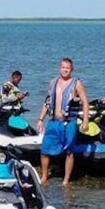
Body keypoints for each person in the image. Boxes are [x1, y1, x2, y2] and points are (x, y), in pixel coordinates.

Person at [36, 58, 90, 186]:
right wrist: (40, 119)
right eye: (63, 67)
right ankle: (44, 176)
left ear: (72, 69)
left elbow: (85, 102)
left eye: (68, 67)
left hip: (69, 122)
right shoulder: (53, 82)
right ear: (59, 68)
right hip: (54, 121)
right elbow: (47, 102)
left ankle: (66, 180)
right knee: (44, 150)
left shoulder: (76, 83)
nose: (65, 69)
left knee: (69, 151)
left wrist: (85, 121)